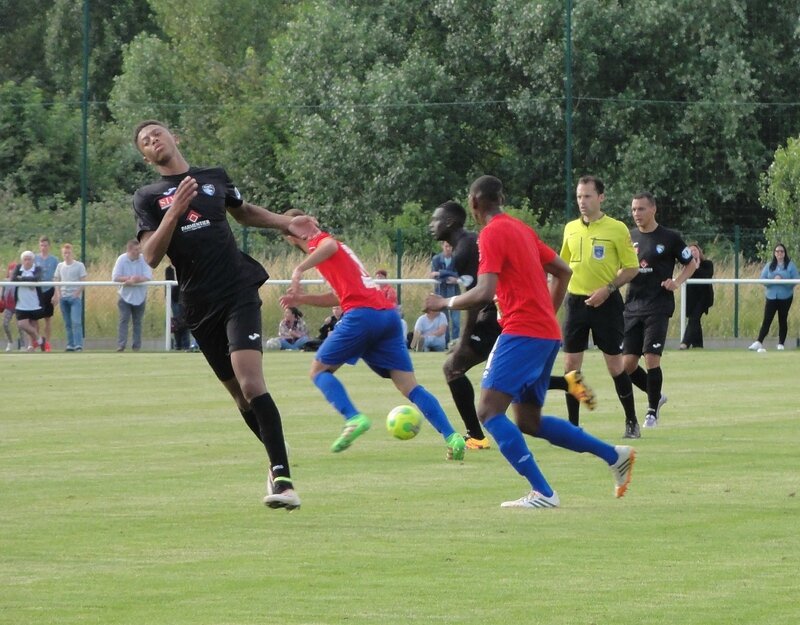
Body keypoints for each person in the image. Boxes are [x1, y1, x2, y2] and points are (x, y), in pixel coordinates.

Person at [425, 175, 635, 509]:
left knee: (489, 411)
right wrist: (547, 314)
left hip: (522, 331)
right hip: (544, 332)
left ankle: (544, 493)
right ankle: (615, 455)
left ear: (474, 202)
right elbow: (564, 271)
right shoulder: (521, 229)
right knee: (528, 421)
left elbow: (484, 292)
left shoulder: (491, 233)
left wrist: (444, 303)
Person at [132, 119, 303, 510]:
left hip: (237, 290)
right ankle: (274, 445)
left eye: (157, 133)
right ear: (145, 156)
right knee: (241, 399)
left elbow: (244, 212)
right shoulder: (148, 197)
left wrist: (286, 222)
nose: (153, 140)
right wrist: (174, 212)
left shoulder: (213, 177)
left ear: (174, 135)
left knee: (251, 383)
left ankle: (284, 483)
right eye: (145, 141)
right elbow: (152, 256)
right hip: (198, 305)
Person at [279, 210, 466, 461]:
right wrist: (302, 298)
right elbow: (338, 296)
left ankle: (353, 418)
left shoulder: (319, 241)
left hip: (363, 316)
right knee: (409, 386)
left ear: (291, 238)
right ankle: (452, 437)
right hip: (386, 316)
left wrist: (299, 270)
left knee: (318, 371)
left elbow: (329, 245)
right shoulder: (336, 253)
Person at [428, 200, 596, 451]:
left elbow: (478, 298)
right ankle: (567, 382)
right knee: (507, 380)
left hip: (501, 319)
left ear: (451, 222)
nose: (431, 225)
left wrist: (463, 343)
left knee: (453, 368)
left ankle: (476, 435)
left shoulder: (465, 250)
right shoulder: (474, 240)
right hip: (509, 318)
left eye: (435, 220)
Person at [559, 176, 641, 437]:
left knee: (615, 366)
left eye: (588, 196)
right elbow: (563, 266)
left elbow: (631, 268)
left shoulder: (617, 229)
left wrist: (607, 290)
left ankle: (631, 421)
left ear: (601, 197)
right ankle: (573, 426)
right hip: (575, 302)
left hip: (607, 304)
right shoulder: (570, 228)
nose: (582, 202)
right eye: (579, 196)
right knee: (571, 367)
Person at [623, 192, 696, 429]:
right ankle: (657, 395)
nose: (637, 214)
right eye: (634, 209)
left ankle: (651, 412)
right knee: (627, 366)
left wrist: (676, 281)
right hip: (632, 306)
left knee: (652, 357)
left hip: (658, 305)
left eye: (641, 209)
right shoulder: (629, 238)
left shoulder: (670, 237)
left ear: (653, 209)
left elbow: (691, 263)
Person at [748, 243, 798, 352]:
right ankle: (759, 342)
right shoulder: (769, 265)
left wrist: (783, 280)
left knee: (782, 319)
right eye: (777, 251)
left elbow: (795, 280)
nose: (779, 253)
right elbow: (762, 279)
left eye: (782, 251)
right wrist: (773, 280)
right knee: (767, 319)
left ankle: (781, 344)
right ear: (774, 253)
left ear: (785, 253)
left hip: (785, 297)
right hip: (771, 297)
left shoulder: (790, 265)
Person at [112, 239, 153, 352]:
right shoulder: (121, 259)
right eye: (136, 249)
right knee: (123, 320)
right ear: (129, 250)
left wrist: (136, 279)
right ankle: (121, 346)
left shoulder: (143, 259)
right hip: (124, 296)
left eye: (139, 249)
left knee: (137, 322)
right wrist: (128, 280)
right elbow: (115, 277)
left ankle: (136, 347)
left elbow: (148, 276)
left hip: (140, 296)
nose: (139, 251)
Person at [53, 243, 88, 352]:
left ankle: (78, 345)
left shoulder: (79, 265)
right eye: (64, 253)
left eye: (68, 253)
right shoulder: (60, 266)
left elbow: (83, 281)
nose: (67, 255)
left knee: (76, 321)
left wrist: (77, 293)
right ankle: (70, 344)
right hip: (64, 297)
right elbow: (56, 280)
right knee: (67, 322)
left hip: (75, 298)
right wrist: (58, 294)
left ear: (72, 253)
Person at [680, 243, 714, 349]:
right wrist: (691, 266)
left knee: (694, 318)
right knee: (695, 319)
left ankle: (685, 343)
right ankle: (698, 345)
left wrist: (697, 267)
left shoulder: (707, 264)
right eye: (690, 251)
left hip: (703, 298)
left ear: (699, 252)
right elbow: (685, 276)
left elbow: (707, 276)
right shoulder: (686, 266)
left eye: (695, 250)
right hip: (691, 298)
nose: (693, 252)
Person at [12, 251, 45, 351]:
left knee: (34, 323)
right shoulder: (18, 268)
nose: (27, 261)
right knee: (22, 324)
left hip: (34, 302)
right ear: (22, 260)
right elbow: (13, 279)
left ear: (32, 260)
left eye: (29, 259)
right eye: (25, 259)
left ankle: (31, 346)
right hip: (21, 303)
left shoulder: (37, 268)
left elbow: (36, 278)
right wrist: (28, 280)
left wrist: (21, 278)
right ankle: (40, 340)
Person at [430, 241, 460, 343]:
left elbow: (458, 274)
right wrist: (447, 275)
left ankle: (455, 342)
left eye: (450, 246)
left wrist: (441, 273)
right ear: (442, 246)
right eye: (446, 246)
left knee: (456, 320)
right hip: (441, 292)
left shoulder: (457, 259)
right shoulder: (436, 259)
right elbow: (434, 275)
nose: (448, 248)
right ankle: (446, 342)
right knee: (444, 319)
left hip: (454, 292)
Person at [34, 235, 59, 352]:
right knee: (35, 318)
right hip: (37, 290)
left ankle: (47, 343)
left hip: (49, 290)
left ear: (49, 246)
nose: (43, 247)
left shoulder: (54, 260)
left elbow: (57, 278)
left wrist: (56, 294)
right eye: (41, 245)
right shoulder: (35, 259)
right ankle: (37, 341)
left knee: (47, 318)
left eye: (45, 245)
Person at [165, 265, 193, 350]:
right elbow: (167, 284)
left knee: (184, 321)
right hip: (174, 298)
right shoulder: (169, 269)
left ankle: (185, 345)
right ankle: (179, 345)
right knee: (178, 323)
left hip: (185, 296)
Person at [2, 262, 19, 351]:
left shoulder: (19, 281)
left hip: (18, 306)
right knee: (5, 324)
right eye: (11, 269)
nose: (12, 271)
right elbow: (2, 293)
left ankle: (23, 345)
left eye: (14, 270)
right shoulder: (5, 281)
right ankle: (10, 342)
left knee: (21, 325)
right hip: (8, 307)